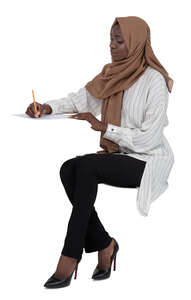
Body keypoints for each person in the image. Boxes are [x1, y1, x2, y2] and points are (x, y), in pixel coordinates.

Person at [25, 16, 175, 288]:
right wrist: (46, 107)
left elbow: (150, 138)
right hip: (120, 155)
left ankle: (70, 255)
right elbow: (80, 99)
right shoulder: (112, 74)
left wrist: (106, 127)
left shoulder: (155, 81)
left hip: (148, 159)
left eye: (120, 41)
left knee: (85, 167)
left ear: (137, 43)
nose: (112, 46)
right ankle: (105, 244)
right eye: (110, 40)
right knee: (68, 168)